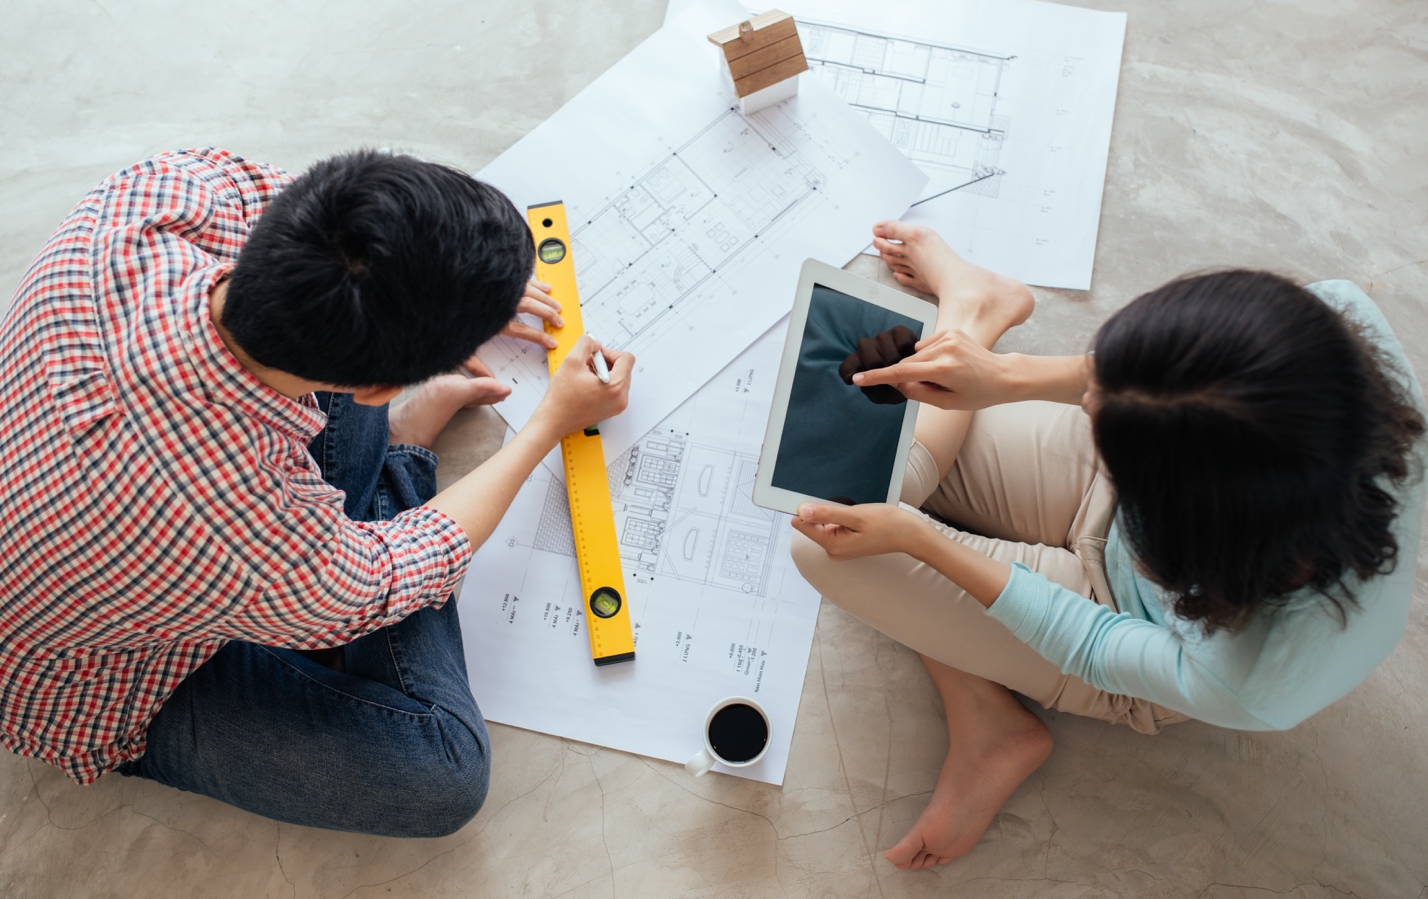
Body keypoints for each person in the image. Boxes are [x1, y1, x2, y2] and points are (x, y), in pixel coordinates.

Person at [0, 148, 633, 837]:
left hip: (111, 516)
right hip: (90, 681)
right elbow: (393, 577)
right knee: (443, 773)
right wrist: (549, 424)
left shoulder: (151, 196)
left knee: (327, 337)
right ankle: (401, 460)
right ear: (378, 392)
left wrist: (465, 283)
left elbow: (333, 222)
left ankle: (382, 458)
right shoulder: (250, 535)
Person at [790, 221, 1425, 870]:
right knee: (863, 482)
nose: (1085, 401)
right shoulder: (1340, 331)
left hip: (1114, 616)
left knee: (830, 539)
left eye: (1099, 408)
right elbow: (1125, 384)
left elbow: (1088, 642)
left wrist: (927, 543)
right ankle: (976, 310)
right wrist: (1006, 376)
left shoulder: (1251, 678)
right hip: (1148, 467)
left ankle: (973, 309)